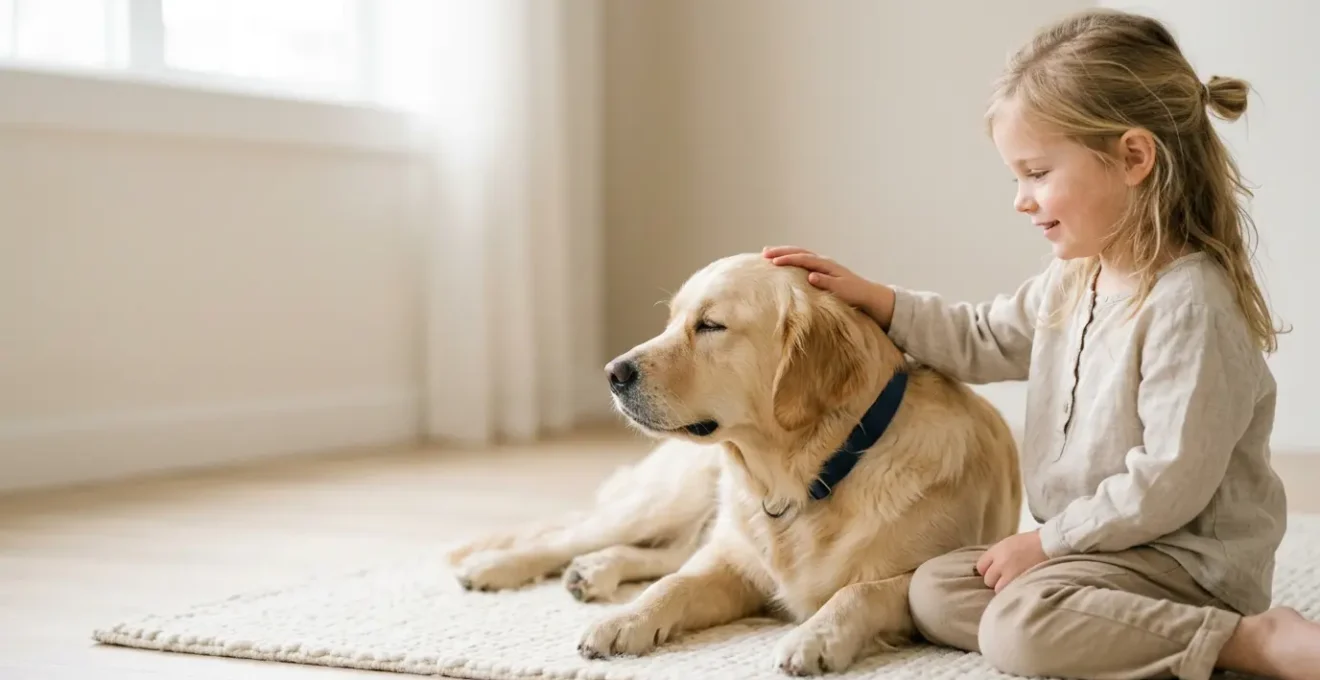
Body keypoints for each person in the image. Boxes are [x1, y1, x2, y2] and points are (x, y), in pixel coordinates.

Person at [764, 8, 1320, 680]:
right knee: (932, 588)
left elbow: (1169, 485)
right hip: (1099, 553)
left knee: (1021, 630)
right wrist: (879, 301)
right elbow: (985, 336)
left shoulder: (1189, 304)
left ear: (1133, 158)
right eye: (1016, 178)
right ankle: (1078, 615)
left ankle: (1249, 641)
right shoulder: (1073, 278)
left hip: (1183, 562)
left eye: (1037, 172)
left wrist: (1048, 544)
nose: (1022, 201)